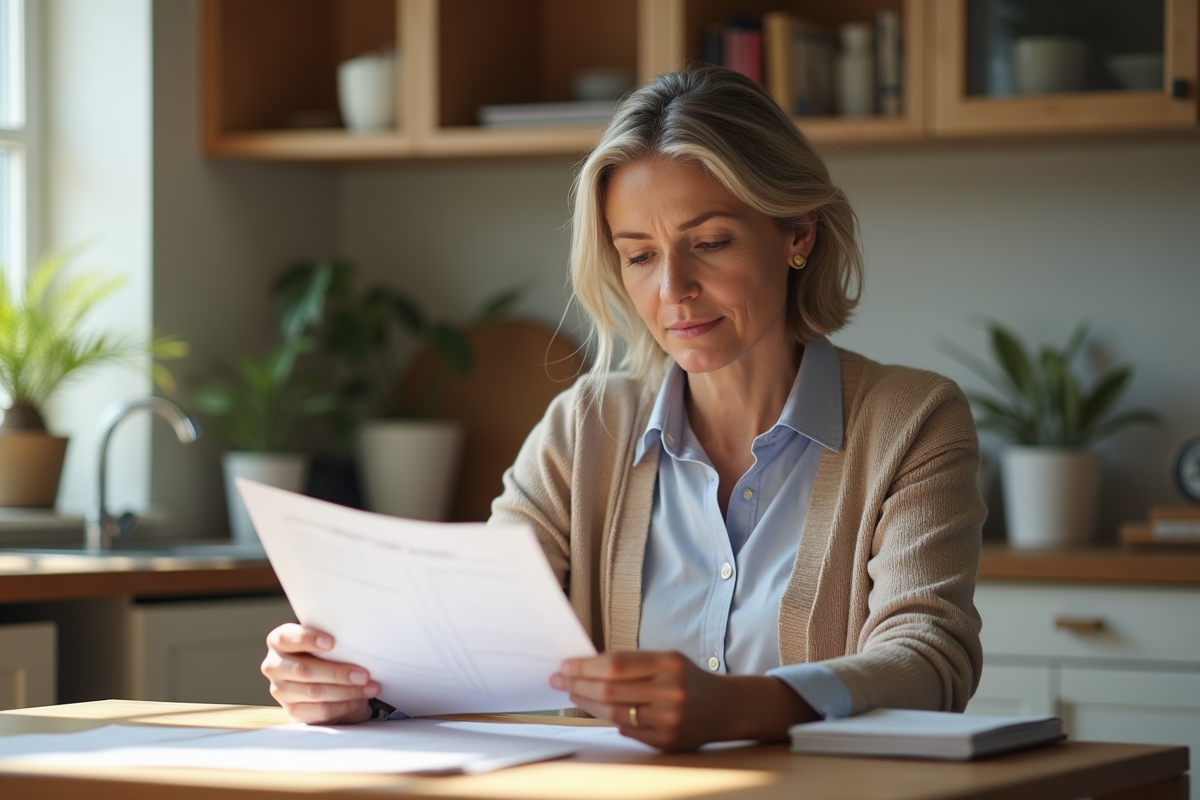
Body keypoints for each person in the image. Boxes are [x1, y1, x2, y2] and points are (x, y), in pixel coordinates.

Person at [260, 66, 985, 752]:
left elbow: (929, 661)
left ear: (798, 234)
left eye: (710, 242)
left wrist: (737, 705)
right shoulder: (587, 425)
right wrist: (358, 682)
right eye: (638, 254)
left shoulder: (912, 420)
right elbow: (472, 631)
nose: (673, 287)